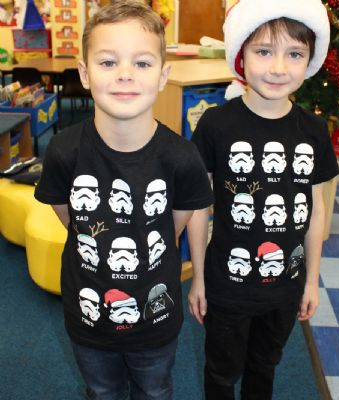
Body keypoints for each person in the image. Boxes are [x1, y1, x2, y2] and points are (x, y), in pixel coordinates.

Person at [34, 1, 213, 399]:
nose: (125, 74)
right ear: (85, 73)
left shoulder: (182, 157)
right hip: (88, 317)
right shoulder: (63, 152)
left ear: (163, 76)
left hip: (155, 318)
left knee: (155, 390)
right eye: (108, 62)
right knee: (101, 391)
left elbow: (171, 229)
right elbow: (72, 220)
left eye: (142, 63)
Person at [187, 0, 339, 399]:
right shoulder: (216, 124)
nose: (278, 68)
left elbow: (315, 208)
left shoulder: (313, 130)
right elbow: (199, 206)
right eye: (264, 51)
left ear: (310, 60)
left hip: (286, 286)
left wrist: (311, 280)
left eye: (295, 54)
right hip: (227, 284)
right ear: (241, 55)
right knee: (221, 373)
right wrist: (198, 277)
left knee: (265, 365)